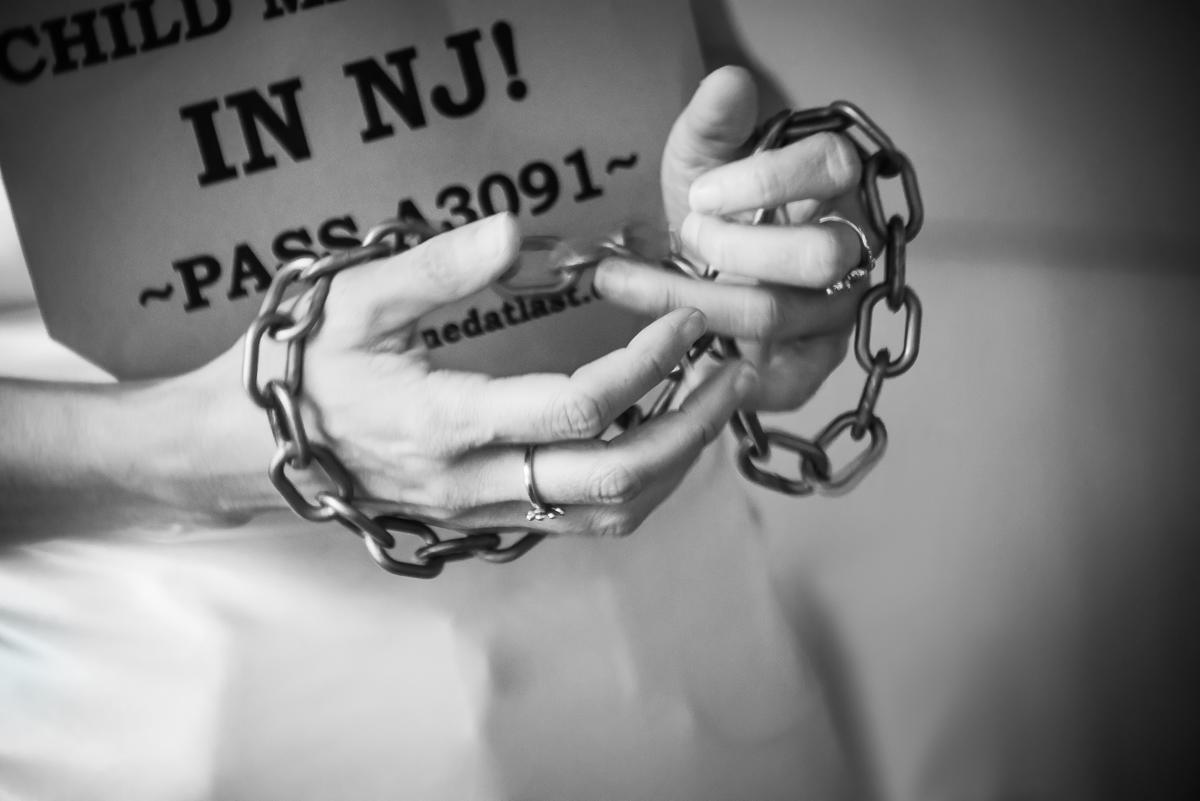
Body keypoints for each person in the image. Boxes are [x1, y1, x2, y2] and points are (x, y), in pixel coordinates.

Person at [0, 2, 873, 798]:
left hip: (689, 672)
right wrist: (238, 444)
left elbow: (690, 62)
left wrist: (763, 217)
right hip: (164, 713)